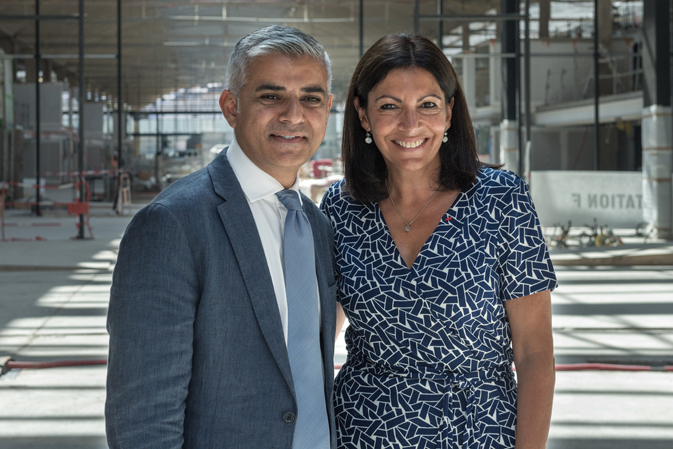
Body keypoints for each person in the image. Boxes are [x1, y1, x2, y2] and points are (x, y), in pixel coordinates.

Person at [320, 34, 557, 449]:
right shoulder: (342, 208)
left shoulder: (502, 200)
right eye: (389, 106)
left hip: (477, 433)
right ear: (362, 113)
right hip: (361, 433)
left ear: (449, 112)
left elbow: (535, 354)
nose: (410, 125)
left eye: (428, 105)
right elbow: (318, 335)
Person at [106, 25, 337, 449]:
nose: (293, 114)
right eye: (270, 96)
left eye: (311, 98)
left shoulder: (315, 226)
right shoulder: (172, 224)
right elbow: (144, 416)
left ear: (328, 108)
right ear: (231, 107)